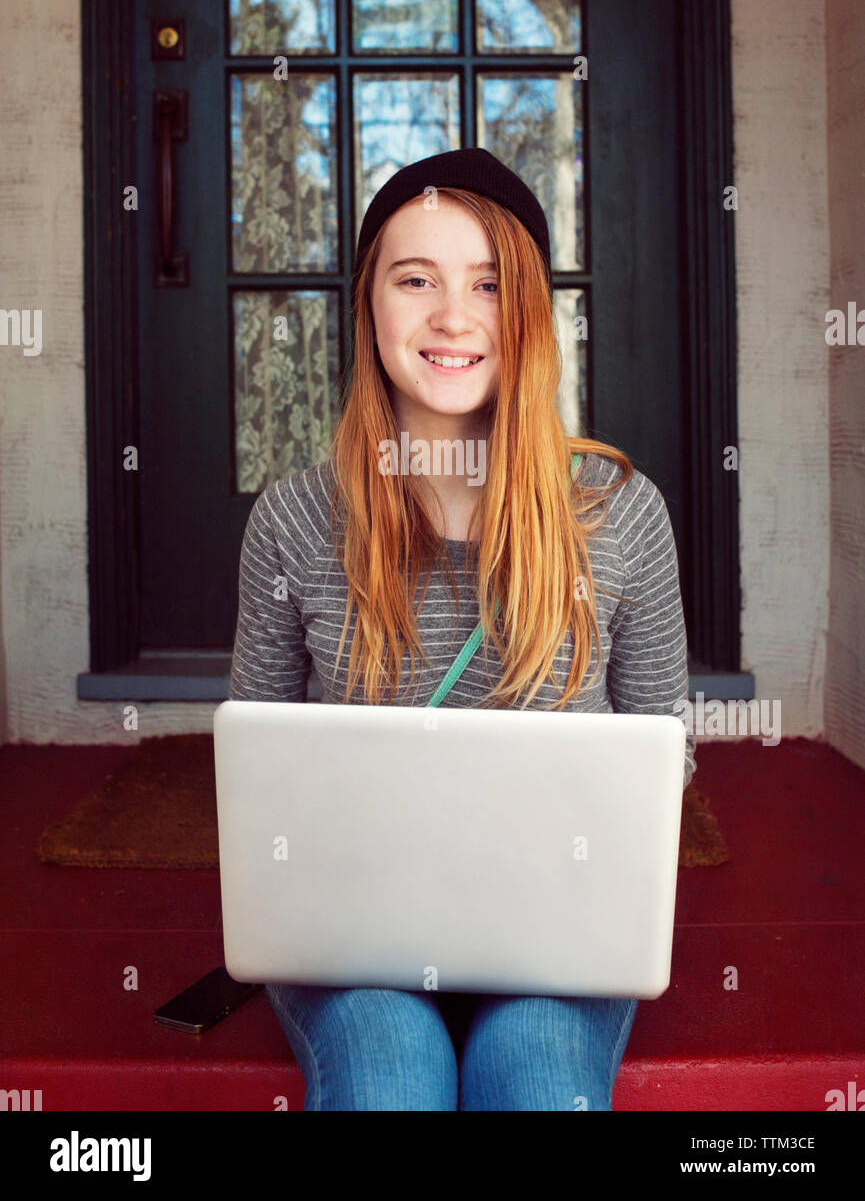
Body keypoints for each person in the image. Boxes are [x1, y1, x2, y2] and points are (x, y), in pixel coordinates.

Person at [228, 147, 695, 1111]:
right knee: (388, 1076)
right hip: (349, 928)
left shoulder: (620, 512)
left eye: (486, 284)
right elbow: (258, 778)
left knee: (533, 1077)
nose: (452, 317)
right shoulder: (292, 520)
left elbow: (665, 760)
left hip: (560, 929)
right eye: (416, 280)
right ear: (369, 306)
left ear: (525, 311)